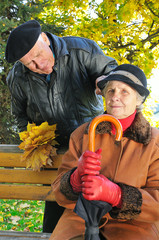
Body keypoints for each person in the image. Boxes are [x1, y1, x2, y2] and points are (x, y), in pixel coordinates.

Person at [5, 20, 118, 233]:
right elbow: (19, 116)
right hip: (56, 156)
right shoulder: (17, 77)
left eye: (38, 56)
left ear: (45, 40)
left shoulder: (81, 50)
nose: (37, 66)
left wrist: (105, 81)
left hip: (92, 144)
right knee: (54, 221)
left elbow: (113, 73)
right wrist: (32, 141)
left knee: (101, 215)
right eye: (29, 63)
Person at [50, 64, 159, 240]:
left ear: (139, 100)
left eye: (124, 91)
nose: (115, 96)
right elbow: (59, 194)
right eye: (111, 91)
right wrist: (75, 179)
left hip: (133, 226)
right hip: (79, 221)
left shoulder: (154, 142)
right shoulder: (82, 134)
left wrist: (118, 195)